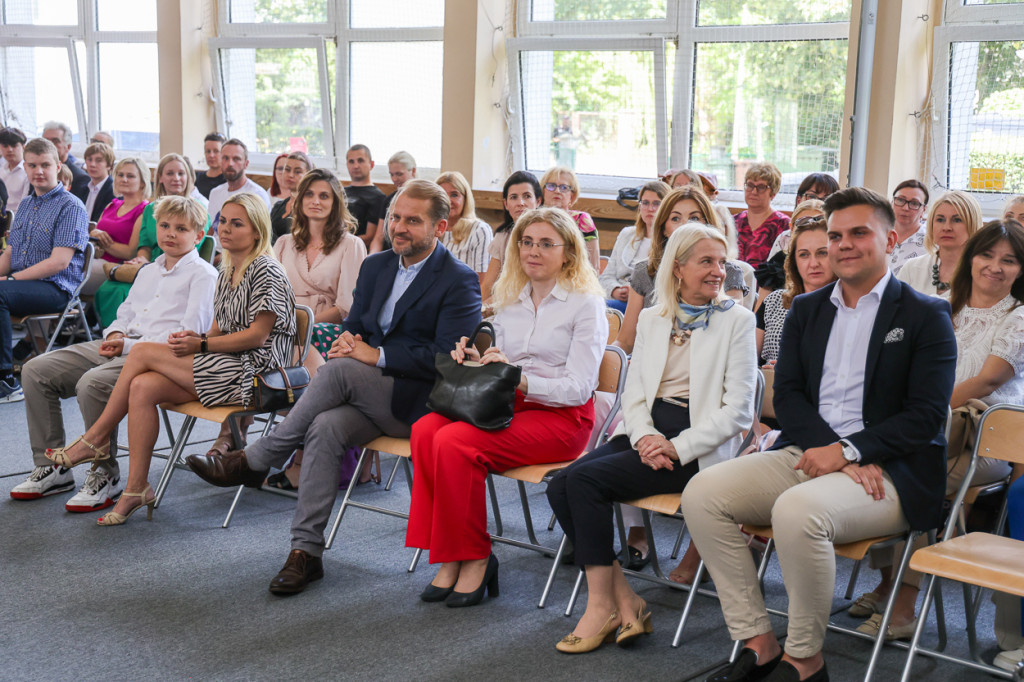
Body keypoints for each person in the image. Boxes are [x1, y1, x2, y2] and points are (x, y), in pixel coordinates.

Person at [680, 187, 957, 682]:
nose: (843, 245)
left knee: (796, 512)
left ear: (890, 238)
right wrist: (833, 451)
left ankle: (805, 660)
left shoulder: (925, 314)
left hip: (893, 471)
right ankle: (759, 642)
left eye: (858, 233)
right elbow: (787, 397)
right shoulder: (806, 309)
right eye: (835, 235)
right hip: (811, 452)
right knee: (702, 492)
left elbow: (927, 416)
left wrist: (851, 450)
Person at [186, 179, 481, 595]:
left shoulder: (459, 280)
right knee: (325, 427)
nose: (399, 227)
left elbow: (446, 358)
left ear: (441, 227)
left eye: (413, 221)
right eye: (395, 217)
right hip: (366, 393)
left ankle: (259, 457)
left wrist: (374, 356)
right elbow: (357, 326)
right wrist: (348, 340)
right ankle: (305, 553)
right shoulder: (378, 266)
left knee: (337, 372)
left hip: (419, 402)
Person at [546, 223, 756, 652]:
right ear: (678, 268)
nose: (719, 271)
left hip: (699, 445)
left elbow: (737, 412)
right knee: (561, 484)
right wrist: (645, 438)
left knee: (582, 482)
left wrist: (676, 447)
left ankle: (601, 603)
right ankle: (624, 598)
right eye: (707, 262)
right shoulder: (656, 318)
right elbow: (634, 394)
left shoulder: (737, 320)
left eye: (722, 262)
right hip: (646, 433)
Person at [45, 193, 296, 526]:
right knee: (143, 385)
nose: (226, 229)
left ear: (257, 231)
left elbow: (258, 337)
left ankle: (95, 439)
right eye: (224, 221)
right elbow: (219, 328)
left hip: (255, 375)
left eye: (238, 224)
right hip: (226, 365)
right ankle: (136, 488)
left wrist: (201, 344)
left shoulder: (265, 270)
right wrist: (197, 341)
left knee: (146, 352)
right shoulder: (228, 268)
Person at [408, 206, 607, 608]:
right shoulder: (509, 297)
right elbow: (501, 363)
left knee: (455, 441)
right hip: (508, 404)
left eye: (545, 244)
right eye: (526, 242)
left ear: (568, 252)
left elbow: (579, 388)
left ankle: (476, 555)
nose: (532, 251)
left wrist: (518, 378)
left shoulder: (585, 305)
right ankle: (450, 552)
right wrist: (477, 361)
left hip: (563, 419)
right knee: (425, 430)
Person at [850, 219, 1024, 640]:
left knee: (914, 473)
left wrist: (917, 413)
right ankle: (890, 582)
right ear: (970, 258)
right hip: (930, 433)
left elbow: (986, 381)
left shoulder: (1019, 316)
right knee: (886, 463)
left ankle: (904, 602)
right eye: (986, 255)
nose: (995, 267)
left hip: (983, 441)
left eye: (1010, 261)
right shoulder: (941, 305)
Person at [12, 196, 217, 511]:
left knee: (91, 383)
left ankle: (104, 474)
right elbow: (124, 313)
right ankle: (51, 468)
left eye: (181, 228)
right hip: (123, 343)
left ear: (198, 235)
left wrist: (129, 345)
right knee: (36, 370)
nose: (170, 234)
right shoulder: (148, 270)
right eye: (164, 226)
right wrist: (117, 333)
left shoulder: (203, 274)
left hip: (159, 358)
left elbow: (188, 333)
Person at [0, 138, 89, 401]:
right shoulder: (26, 205)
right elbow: (10, 252)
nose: (39, 171)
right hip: (21, 285)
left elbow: (59, 262)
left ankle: (6, 381)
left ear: (58, 166)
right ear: (25, 168)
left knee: (0, 294)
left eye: (45, 165)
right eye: (33, 165)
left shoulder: (70, 206)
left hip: (56, 287)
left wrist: (11, 278)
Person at [93, 153, 211, 327]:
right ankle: (114, 334)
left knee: (122, 290)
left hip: (179, 268)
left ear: (188, 178)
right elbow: (145, 245)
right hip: (149, 266)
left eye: (181, 173)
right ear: (160, 178)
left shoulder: (197, 210)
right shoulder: (150, 209)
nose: (176, 178)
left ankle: (135, 333)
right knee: (109, 288)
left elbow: (188, 248)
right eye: (170, 173)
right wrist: (142, 258)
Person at [757, 216, 836, 368]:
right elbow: (747, 360)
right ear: (794, 261)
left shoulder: (850, 305)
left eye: (822, 253)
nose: (814, 264)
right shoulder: (774, 301)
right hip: (771, 386)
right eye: (804, 255)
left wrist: (793, 370)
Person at [82, 157, 151, 295]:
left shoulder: (144, 210)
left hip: (116, 267)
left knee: (61, 275)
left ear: (142, 183)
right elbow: (93, 234)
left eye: (130, 176)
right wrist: (94, 234)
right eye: (120, 175)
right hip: (94, 258)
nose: (123, 179)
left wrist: (101, 241)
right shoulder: (112, 205)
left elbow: (130, 253)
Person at [599, 180, 669, 313]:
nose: (650, 209)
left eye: (656, 204)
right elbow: (605, 277)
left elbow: (664, 287)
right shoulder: (627, 234)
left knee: (594, 308)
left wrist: (635, 293)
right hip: (617, 299)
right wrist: (615, 290)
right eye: (645, 203)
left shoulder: (671, 240)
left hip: (646, 305)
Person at [897, 190, 982, 298]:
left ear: (972, 224)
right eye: (940, 220)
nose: (947, 227)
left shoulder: (983, 273)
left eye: (957, 220)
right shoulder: (912, 268)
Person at [481, 171, 543, 303]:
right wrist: (479, 311)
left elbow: (523, 288)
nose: (520, 203)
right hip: (499, 302)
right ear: (506, 204)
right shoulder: (502, 236)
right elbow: (488, 285)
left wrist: (488, 307)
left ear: (538, 201)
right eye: (514, 197)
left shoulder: (545, 237)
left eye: (527, 196)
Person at [540, 166, 600, 271]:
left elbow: (593, 267)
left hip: (575, 281)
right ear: (543, 191)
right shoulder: (533, 219)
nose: (557, 191)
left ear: (572, 196)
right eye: (551, 186)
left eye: (564, 187)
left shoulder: (583, 220)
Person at [437, 170, 492, 284]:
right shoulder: (431, 229)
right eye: (442, 195)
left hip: (463, 299)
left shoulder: (479, 230)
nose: (448, 201)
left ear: (465, 199)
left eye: (454, 195)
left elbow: (482, 282)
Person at [735, 162, 790, 269]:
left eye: (761, 187)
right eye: (750, 185)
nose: (754, 192)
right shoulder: (733, 222)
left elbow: (784, 267)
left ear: (773, 193)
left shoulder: (783, 225)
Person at [207, 138, 271, 225]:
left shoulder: (257, 195)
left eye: (236, 159)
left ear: (246, 164)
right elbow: (211, 230)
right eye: (225, 158)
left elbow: (262, 234)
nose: (230, 163)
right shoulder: (215, 193)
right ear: (221, 162)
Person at [369, 151, 418, 254]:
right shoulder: (389, 200)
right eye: (392, 175)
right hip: (391, 254)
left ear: (413, 171)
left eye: (399, 174)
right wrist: (370, 258)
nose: (395, 179)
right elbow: (379, 238)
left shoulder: (422, 199)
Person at [343, 144, 387, 249]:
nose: (356, 166)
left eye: (360, 160)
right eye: (351, 161)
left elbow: (369, 237)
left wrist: (339, 245)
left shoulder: (378, 197)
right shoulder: (340, 192)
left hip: (355, 250)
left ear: (371, 164)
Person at [888, 180, 929, 275]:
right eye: (900, 200)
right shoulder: (878, 235)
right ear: (892, 202)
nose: (905, 208)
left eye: (914, 203)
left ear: (923, 210)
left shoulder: (931, 242)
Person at [269, 152, 312, 243]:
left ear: (308, 175)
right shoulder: (278, 206)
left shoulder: (310, 208)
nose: (291, 175)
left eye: (297, 171)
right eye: (287, 170)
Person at [42, 121, 89, 195]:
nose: (49, 145)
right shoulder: (36, 173)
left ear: (68, 147)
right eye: (46, 141)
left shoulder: (79, 178)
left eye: (55, 141)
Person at [74, 142, 115, 223]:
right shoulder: (81, 187)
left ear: (109, 165)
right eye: (89, 159)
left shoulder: (113, 191)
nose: (92, 164)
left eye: (98, 161)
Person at [0, 125, 29, 215]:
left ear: (23, 147)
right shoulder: (1, 169)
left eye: (14, 145)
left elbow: (25, 205)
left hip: (16, 219)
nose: (9, 149)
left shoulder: (28, 171)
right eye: (5, 146)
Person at [194, 132, 227, 199]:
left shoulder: (228, 180)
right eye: (208, 151)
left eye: (216, 151)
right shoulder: (196, 177)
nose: (211, 155)